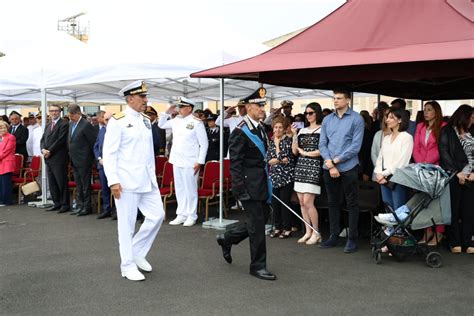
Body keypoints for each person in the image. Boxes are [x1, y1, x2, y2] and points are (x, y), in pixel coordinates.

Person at [103, 80, 165, 281]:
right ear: (130, 99)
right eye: (142, 97)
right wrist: (113, 181)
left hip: (147, 180)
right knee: (127, 225)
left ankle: (136, 252)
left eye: (146, 96)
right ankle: (127, 265)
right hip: (126, 181)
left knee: (157, 216)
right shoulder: (118, 120)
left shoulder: (145, 120)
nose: (146, 100)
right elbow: (109, 153)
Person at [215, 87, 276, 281]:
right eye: (259, 106)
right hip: (249, 186)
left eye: (262, 105)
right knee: (257, 226)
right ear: (249, 107)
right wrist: (240, 191)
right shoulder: (240, 132)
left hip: (262, 183)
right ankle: (257, 266)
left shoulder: (259, 127)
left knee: (259, 219)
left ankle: (227, 239)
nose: (262, 109)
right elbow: (236, 164)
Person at [318, 89, 364, 253]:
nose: (335, 101)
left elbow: (355, 147)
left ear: (348, 100)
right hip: (329, 167)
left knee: (352, 203)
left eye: (339, 98)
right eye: (334, 98)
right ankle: (333, 236)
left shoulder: (357, 119)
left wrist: (334, 162)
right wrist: (330, 164)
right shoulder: (327, 119)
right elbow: (322, 144)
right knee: (332, 202)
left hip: (348, 166)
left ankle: (352, 239)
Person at [158, 97, 208, 227]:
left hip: (191, 161)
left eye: (182, 107)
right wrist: (166, 112)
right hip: (176, 160)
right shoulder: (176, 120)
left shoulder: (197, 122)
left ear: (189, 108)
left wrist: (200, 161)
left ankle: (192, 215)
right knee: (179, 188)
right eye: (179, 107)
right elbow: (161, 124)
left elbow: (204, 144)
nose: (179, 109)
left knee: (190, 189)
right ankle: (181, 214)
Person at [439, 104, 474, 254]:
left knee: (469, 210)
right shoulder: (447, 131)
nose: (473, 120)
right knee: (453, 209)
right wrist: (456, 172)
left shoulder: (473, 130)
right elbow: (444, 152)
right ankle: (454, 241)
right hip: (454, 175)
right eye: (471, 117)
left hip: (472, 176)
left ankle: (469, 240)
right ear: (463, 117)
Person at [413, 101, 447, 245]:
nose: (426, 112)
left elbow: (441, 148)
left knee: (437, 203)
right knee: (423, 202)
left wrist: (428, 163)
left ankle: (439, 233)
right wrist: (421, 163)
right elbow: (416, 147)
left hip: (436, 169)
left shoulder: (443, 127)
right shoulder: (420, 126)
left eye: (429, 110)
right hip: (421, 169)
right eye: (425, 110)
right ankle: (427, 232)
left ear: (436, 112)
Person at [291, 102, 324, 245]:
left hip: (314, 166)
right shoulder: (302, 131)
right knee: (302, 203)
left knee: (308, 202)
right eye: (306, 113)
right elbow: (294, 151)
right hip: (301, 166)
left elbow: (323, 150)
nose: (308, 116)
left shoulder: (323, 129)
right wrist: (294, 135)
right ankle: (308, 231)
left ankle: (316, 232)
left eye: (311, 113)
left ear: (317, 113)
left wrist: (306, 153)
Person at [374, 107, 413, 211]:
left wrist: (383, 174)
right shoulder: (386, 138)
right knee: (388, 208)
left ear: (400, 120)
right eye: (387, 117)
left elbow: (402, 162)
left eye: (391, 117)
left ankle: (397, 228)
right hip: (383, 177)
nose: (387, 120)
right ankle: (389, 228)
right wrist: (378, 173)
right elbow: (380, 158)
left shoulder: (406, 137)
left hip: (398, 178)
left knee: (398, 209)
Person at [68, 104, 98, 216]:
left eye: (72, 115)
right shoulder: (71, 124)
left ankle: (87, 206)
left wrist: (90, 159)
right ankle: (80, 205)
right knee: (78, 184)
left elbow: (92, 143)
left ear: (79, 113)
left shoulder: (85, 125)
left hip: (84, 160)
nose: (71, 117)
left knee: (85, 184)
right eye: (69, 115)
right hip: (74, 159)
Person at [267, 116, 294, 239]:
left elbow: (288, 159)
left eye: (280, 127)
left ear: (284, 129)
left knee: (285, 203)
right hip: (275, 177)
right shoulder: (271, 141)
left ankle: (287, 228)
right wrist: (279, 159)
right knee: (275, 203)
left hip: (287, 176)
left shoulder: (288, 141)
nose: (277, 130)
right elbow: (269, 160)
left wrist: (278, 148)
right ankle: (277, 227)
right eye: (275, 127)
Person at [41, 105, 70, 213]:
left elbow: (60, 140)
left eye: (56, 111)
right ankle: (56, 203)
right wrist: (43, 149)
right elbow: (43, 139)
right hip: (48, 158)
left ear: (60, 112)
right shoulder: (48, 125)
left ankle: (65, 204)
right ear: (49, 112)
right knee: (52, 182)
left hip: (59, 157)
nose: (54, 113)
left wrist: (50, 151)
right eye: (52, 111)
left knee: (61, 182)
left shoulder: (64, 124)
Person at [94, 112, 114, 219]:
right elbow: (96, 146)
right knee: (105, 189)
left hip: (115, 166)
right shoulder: (102, 130)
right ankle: (107, 209)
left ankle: (116, 211)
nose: (108, 122)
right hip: (102, 165)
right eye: (106, 120)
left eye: (110, 119)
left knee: (115, 188)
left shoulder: (118, 131)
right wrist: (99, 158)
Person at [0, 120, 16, 206]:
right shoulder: (1, 137)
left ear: (7, 128)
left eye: (3, 127)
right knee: (1, 182)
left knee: (5, 182)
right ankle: (1, 199)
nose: (1, 129)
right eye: (0, 127)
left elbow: (7, 151)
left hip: (7, 162)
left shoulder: (11, 137)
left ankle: (7, 200)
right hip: (1, 162)